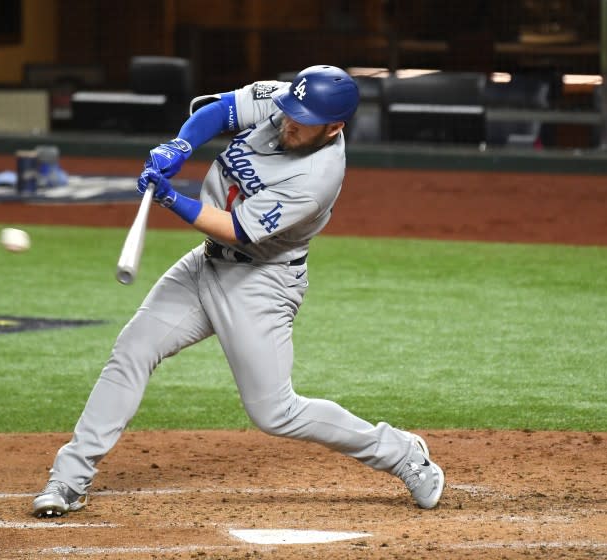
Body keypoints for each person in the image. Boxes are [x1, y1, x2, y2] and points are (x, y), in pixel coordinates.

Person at [32, 65, 445, 517]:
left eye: (303, 121)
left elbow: (235, 230)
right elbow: (221, 110)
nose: (289, 121)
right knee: (133, 349)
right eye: (290, 111)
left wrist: (174, 198)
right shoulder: (290, 100)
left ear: (334, 128)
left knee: (275, 412)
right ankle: (68, 481)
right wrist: (181, 144)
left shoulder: (317, 178)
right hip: (206, 263)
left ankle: (402, 452)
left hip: (262, 282)